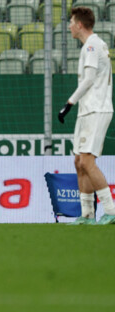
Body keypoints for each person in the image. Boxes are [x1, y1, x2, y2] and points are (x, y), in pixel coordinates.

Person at [58, 7, 115, 225]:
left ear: (80, 24)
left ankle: (110, 210)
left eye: (71, 22)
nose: (69, 26)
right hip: (87, 110)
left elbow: (90, 78)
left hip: (97, 109)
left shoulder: (92, 44)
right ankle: (87, 214)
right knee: (79, 162)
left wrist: (69, 103)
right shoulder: (89, 46)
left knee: (88, 162)